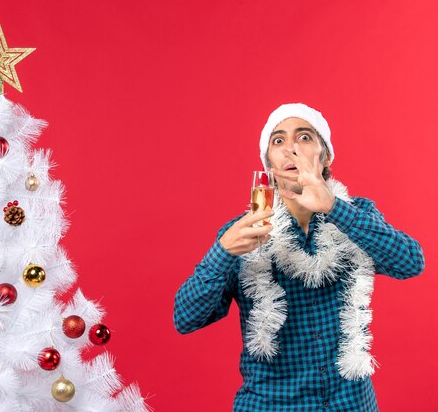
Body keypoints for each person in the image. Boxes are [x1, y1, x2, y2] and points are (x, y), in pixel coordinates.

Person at [173, 103, 425, 411]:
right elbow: (185, 319)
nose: (290, 148)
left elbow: (411, 263)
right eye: (278, 141)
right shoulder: (242, 233)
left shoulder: (357, 215)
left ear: (326, 155)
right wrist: (222, 252)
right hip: (271, 404)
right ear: (269, 163)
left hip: (351, 404)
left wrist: (334, 207)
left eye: (304, 137)